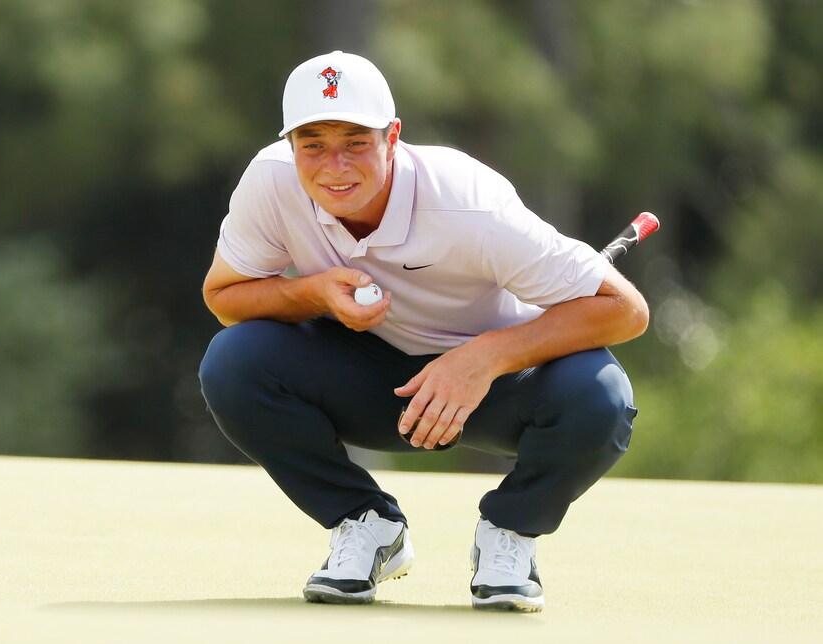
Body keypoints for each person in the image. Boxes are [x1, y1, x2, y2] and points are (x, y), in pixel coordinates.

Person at [198, 51, 649, 612]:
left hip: (499, 389)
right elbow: (224, 296)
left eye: (356, 141)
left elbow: (625, 309)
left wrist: (484, 358)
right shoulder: (270, 181)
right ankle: (365, 524)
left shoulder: (469, 202)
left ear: (393, 136)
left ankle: (510, 531)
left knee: (601, 396)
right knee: (233, 363)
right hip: (368, 382)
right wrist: (311, 293)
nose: (333, 165)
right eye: (312, 143)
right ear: (290, 145)